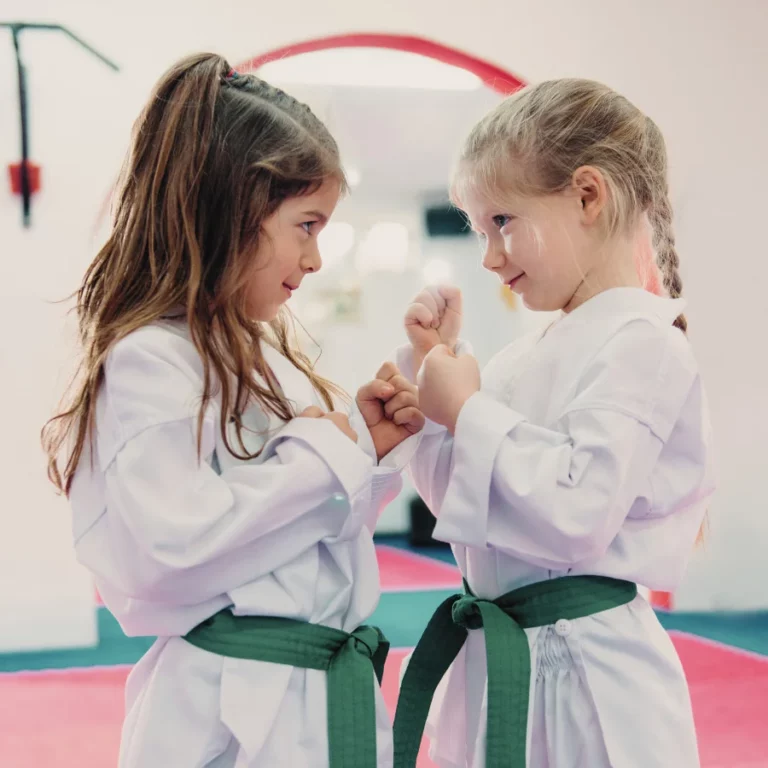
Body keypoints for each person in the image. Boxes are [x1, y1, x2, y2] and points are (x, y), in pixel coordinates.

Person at [42, 52, 423, 768]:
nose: (314, 260)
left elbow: (312, 536)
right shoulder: (150, 361)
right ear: (236, 209)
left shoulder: (266, 355)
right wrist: (325, 456)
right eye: (305, 225)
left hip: (312, 692)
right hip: (227, 709)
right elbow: (170, 551)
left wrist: (363, 450)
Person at [392, 79, 715, 768]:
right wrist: (431, 395)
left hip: (590, 678)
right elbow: (468, 508)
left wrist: (468, 411)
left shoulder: (646, 342)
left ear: (588, 196)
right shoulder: (520, 355)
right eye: (480, 231)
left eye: (502, 222)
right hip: (498, 664)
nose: (488, 256)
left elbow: (576, 511)